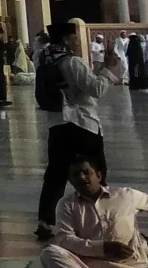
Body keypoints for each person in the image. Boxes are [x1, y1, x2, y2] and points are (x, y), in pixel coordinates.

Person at [40, 159, 148, 268]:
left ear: (99, 176)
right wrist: (103, 247)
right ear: (70, 180)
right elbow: (65, 239)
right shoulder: (67, 204)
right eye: (76, 175)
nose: (82, 177)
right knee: (50, 253)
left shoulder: (126, 196)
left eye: (86, 172)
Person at [37, 20, 112, 237]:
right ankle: (101, 219)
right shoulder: (72, 62)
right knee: (95, 173)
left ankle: (45, 221)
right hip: (82, 124)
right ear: (67, 39)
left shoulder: (45, 60)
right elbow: (96, 89)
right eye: (75, 38)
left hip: (57, 125)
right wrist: (110, 70)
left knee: (55, 174)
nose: (78, 41)